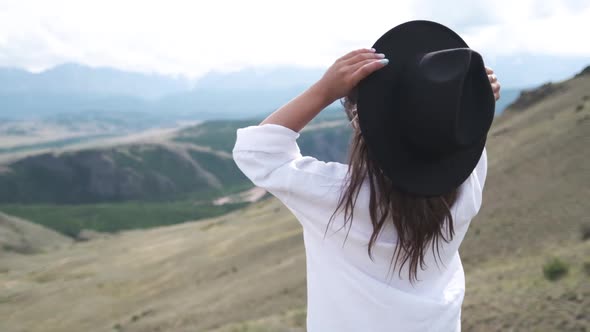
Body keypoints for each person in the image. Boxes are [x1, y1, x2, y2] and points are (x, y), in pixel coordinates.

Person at [233, 20, 501, 332]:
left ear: (358, 123)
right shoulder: (466, 184)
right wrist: (471, 96)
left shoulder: (335, 195)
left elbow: (255, 151)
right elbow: (457, 137)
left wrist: (324, 90)